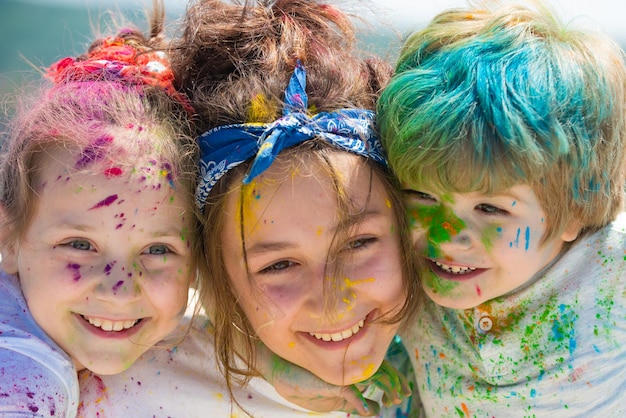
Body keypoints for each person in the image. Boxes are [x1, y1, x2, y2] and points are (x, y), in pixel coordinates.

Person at [77, 0, 421, 416]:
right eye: (278, 265)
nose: (333, 301)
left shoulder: (455, 331)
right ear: (211, 271)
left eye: (360, 242)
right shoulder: (115, 384)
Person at [374, 0, 626, 416]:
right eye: (422, 196)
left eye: (490, 209)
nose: (443, 235)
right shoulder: (398, 273)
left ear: (576, 210)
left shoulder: (610, 270)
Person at [0, 3, 198, 416]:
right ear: (8, 238)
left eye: (157, 249)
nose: (118, 290)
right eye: (80, 244)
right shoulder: (25, 381)